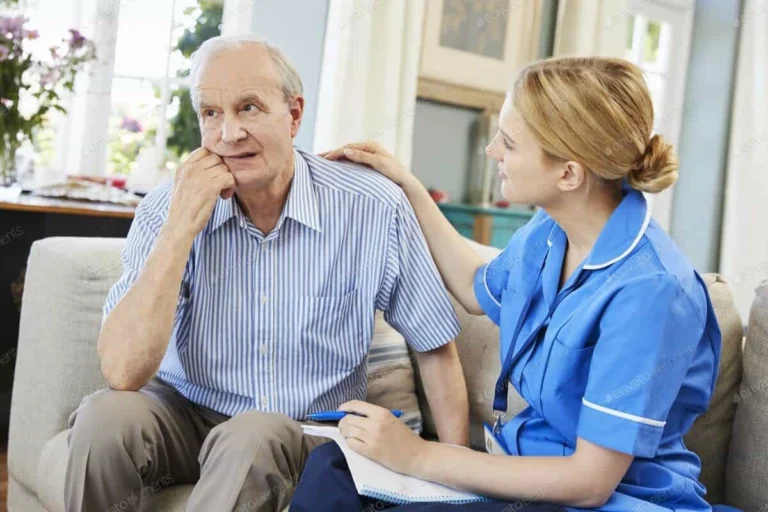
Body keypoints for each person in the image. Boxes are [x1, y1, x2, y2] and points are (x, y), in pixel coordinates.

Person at [290, 57, 724, 512]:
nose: (492, 150)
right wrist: (408, 186)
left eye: (510, 143)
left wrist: (420, 455)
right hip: (525, 471)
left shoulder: (651, 291)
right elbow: (475, 285)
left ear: (569, 174)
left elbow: (590, 481)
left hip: (604, 499)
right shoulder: (550, 231)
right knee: (333, 467)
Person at [64, 35, 471, 512]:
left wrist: (454, 472)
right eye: (211, 114)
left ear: (294, 115)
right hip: (187, 413)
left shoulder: (371, 207)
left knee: (252, 434)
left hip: (299, 429)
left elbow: (435, 347)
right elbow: (121, 372)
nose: (228, 133)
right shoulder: (166, 208)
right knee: (103, 417)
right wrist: (180, 229)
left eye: (249, 108)